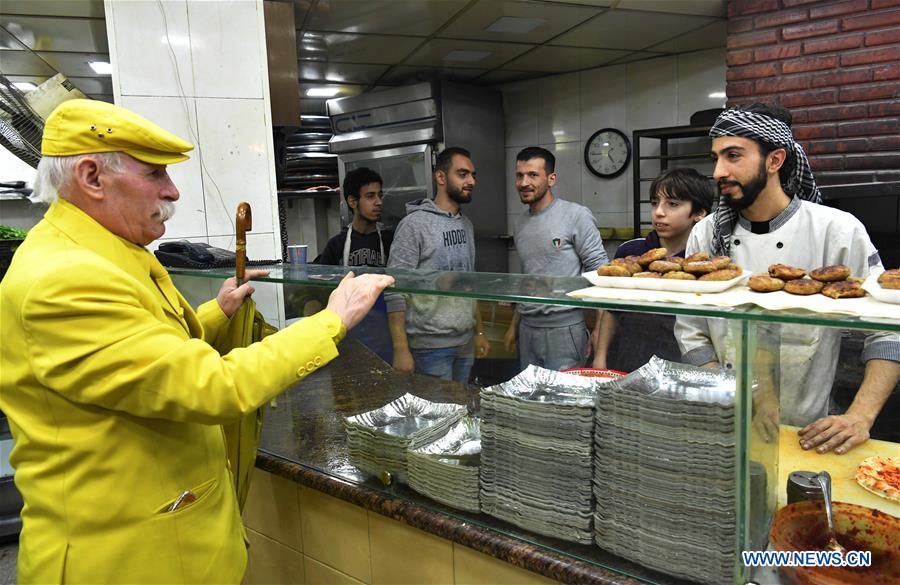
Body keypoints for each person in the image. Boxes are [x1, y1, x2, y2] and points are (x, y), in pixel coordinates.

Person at [0, 99, 394, 583]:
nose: (173, 191)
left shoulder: (100, 253)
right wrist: (331, 321)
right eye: (155, 174)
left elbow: (142, 355)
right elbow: (212, 387)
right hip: (125, 562)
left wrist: (217, 311)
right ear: (92, 177)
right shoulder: (66, 279)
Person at [674, 103, 899, 455]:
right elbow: (691, 329)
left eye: (733, 156)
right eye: (716, 157)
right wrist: (729, 393)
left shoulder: (836, 231)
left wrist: (860, 417)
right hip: (730, 422)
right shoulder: (705, 235)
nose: (718, 171)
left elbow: (888, 329)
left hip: (811, 429)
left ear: (775, 160)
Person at [386, 147, 490, 382]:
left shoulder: (467, 225)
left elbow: (471, 283)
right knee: (438, 416)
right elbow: (395, 290)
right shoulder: (414, 225)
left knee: (459, 410)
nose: (471, 181)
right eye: (462, 174)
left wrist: (479, 331)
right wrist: (401, 349)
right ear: (441, 177)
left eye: (473, 175)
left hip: (465, 342)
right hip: (429, 348)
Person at [594, 168, 714, 372]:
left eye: (673, 204)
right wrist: (600, 357)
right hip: (629, 359)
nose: (659, 212)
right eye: (654, 203)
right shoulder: (631, 252)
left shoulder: (704, 264)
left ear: (699, 213)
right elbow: (612, 310)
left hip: (678, 366)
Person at [503, 147, 609, 371]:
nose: (523, 182)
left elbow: (601, 274)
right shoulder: (520, 223)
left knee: (564, 402)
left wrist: (599, 330)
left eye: (533, 175)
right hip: (528, 329)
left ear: (551, 179)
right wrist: (514, 325)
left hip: (565, 329)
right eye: (519, 175)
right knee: (530, 398)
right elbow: (529, 276)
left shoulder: (576, 215)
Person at [314, 167, 393, 267]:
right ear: (352, 201)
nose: (379, 202)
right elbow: (323, 279)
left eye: (379, 195)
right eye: (370, 196)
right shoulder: (336, 244)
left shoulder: (390, 240)